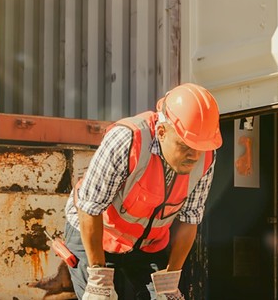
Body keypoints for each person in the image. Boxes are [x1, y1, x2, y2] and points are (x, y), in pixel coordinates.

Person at [63, 83, 222, 300]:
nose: (194, 155)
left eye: (200, 147)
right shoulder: (127, 140)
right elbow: (90, 207)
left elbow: (189, 219)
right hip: (96, 233)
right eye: (185, 146)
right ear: (162, 132)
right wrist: (99, 278)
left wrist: (170, 280)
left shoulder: (206, 158)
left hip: (148, 243)